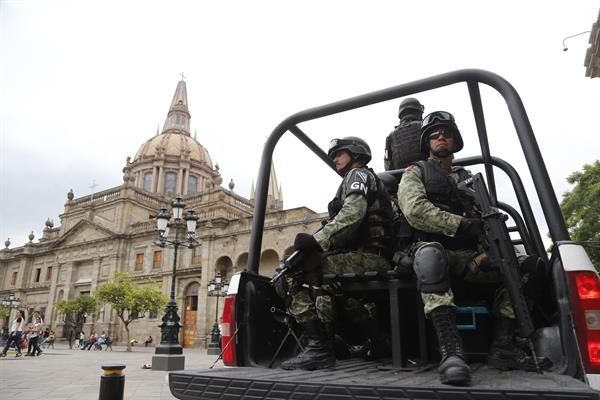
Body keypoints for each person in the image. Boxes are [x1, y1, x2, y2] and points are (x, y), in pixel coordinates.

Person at [397, 111, 544, 385]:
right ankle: (451, 352)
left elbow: (486, 219)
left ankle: (504, 346)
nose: (441, 137)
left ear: (455, 141)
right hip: (432, 251)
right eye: (435, 134)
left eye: (447, 133)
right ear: (427, 142)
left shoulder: (469, 179)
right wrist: (460, 224)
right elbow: (414, 209)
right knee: (430, 255)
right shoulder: (415, 172)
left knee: (527, 265)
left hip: (472, 256)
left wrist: (487, 252)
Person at [280, 136, 394, 370]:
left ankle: (319, 348)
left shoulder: (358, 174)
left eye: (339, 154)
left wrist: (317, 242)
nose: (334, 159)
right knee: (333, 292)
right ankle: (380, 341)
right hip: (366, 257)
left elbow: (352, 213)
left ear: (356, 155)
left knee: (292, 276)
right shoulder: (355, 179)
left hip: (370, 257)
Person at [384, 97, 425, 171]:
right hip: (428, 173)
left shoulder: (391, 136)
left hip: (401, 177)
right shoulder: (425, 126)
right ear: (419, 112)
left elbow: (388, 165)